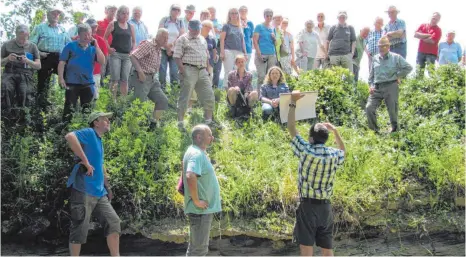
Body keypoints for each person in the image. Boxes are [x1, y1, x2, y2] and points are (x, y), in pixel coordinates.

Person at [286, 90, 345, 257]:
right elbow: (343, 151)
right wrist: (336, 132)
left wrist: (292, 101)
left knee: (306, 248)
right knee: (327, 249)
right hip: (326, 208)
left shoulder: (306, 151)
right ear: (326, 139)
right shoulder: (333, 155)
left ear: (311, 138)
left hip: (308, 206)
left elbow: (291, 127)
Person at [65, 112, 120, 256]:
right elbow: (69, 136)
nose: (108, 121)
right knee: (79, 229)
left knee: (113, 223)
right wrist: (85, 161)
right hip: (83, 189)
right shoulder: (90, 133)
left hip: (100, 192)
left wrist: (107, 186)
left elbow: (100, 165)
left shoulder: (99, 140)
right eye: (105, 119)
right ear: (96, 122)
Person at [182, 124, 221, 256]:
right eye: (209, 135)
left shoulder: (195, 151)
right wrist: (197, 200)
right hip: (199, 211)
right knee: (199, 250)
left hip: (200, 211)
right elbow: (190, 175)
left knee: (195, 248)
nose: (212, 137)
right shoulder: (196, 154)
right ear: (199, 137)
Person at [174, 20, 216, 131]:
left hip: (202, 71)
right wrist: (182, 70)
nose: (197, 31)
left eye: (198, 28)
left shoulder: (202, 39)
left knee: (209, 95)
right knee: (185, 96)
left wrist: (207, 70)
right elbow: (177, 56)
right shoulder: (182, 39)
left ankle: (209, 121)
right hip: (189, 69)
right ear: (189, 28)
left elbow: (206, 55)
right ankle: (180, 123)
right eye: (195, 29)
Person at [58, 24, 105, 122]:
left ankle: (85, 127)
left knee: (87, 109)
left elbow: (102, 61)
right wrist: (61, 78)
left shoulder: (93, 48)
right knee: (69, 108)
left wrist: (97, 46)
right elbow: (62, 62)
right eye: (84, 35)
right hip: (72, 82)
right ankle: (64, 128)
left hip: (88, 82)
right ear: (79, 35)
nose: (87, 37)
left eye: (89, 35)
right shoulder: (70, 46)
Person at [366, 36, 413, 133]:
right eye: (380, 46)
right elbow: (371, 77)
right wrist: (371, 86)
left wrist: (398, 76)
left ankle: (395, 131)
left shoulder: (396, 57)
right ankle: (374, 131)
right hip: (377, 87)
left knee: (392, 110)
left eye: (384, 46)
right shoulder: (375, 58)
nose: (381, 48)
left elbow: (409, 67)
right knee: (369, 108)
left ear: (388, 47)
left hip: (391, 86)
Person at [30, 8, 71, 107]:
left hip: (60, 58)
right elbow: (31, 44)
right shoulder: (39, 27)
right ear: (48, 14)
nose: (56, 15)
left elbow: (69, 44)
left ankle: (69, 103)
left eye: (58, 14)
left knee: (68, 78)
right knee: (43, 83)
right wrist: (39, 53)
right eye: (53, 13)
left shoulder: (62, 29)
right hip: (45, 57)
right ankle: (41, 105)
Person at [130, 28, 169, 128]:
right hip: (142, 77)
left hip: (152, 78)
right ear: (158, 36)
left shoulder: (159, 48)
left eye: (167, 38)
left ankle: (153, 124)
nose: (166, 40)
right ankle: (133, 129)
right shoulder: (149, 44)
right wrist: (140, 72)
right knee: (139, 104)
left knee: (162, 100)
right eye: (164, 37)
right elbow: (133, 56)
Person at [1, 24, 41, 111]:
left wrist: (27, 61)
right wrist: (7, 59)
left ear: (28, 35)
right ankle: (6, 114)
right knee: (6, 87)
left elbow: (38, 66)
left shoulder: (33, 46)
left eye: (25, 38)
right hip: (9, 72)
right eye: (20, 38)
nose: (22, 40)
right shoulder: (7, 44)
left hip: (26, 73)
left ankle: (24, 115)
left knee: (25, 91)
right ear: (16, 34)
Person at [104, 5, 136, 99]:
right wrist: (109, 48)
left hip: (127, 56)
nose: (125, 15)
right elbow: (105, 38)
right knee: (115, 79)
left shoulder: (131, 26)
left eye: (127, 13)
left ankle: (123, 101)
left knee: (125, 79)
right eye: (123, 13)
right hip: (115, 54)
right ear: (119, 14)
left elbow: (134, 41)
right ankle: (112, 101)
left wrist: (133, 50)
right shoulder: (113, 24)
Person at [187, 20, 218, 114]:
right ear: (201, 26)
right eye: (206, 26)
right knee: (192, 86)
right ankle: (190, 107)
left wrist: (212, 62)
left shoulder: (212, 39)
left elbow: (214, 51)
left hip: (208, 65)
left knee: (207, 86)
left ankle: (205, 107)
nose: (208, 29)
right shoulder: (195, 37)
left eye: (210, 27)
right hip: (194, 65)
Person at [158, 4, 185, 88]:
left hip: (175, 50)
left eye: (178, 10)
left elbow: (181, 36)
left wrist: (171, 47)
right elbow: (160, 34)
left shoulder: (180, 22)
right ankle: (162, 92)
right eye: (174, 9)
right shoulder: (164, 20)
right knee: (162, 71)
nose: (176, 11)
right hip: (163, 49)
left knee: (174, 72)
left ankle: (174, 94)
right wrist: (167, 47)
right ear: (170, 10)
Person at [220, 8, 247, 82]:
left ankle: (237, 91)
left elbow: (243, 41)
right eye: (232, 13)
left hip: (239, 52)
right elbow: (222, 39)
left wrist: (245, 53)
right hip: (228, 51)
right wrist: (222, 52)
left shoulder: (240, 27)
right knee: (228, 72)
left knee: (238, 72)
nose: (234, 15)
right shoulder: (226, 26)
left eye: (236, 13)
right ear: (229, 15)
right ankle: (227, 91)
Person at [84, 19, 109, 100]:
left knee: (94, 95)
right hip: (81, 72)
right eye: (92, 27)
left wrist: (102, 72)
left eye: (95, 27)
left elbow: (105, 57)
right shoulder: (78, 39)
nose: (94, 29)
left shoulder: (100, 40)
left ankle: (92, 110)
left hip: (95, 72)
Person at [254, 9, 277, 92]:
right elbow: (255, 41)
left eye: (271, 16)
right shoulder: (259, 26)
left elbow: (276, 43)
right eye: (267, 15)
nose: (269, 17)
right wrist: (259, 54)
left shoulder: (272, 28)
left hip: (271, 55)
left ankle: (269, 95)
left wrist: (274, 38)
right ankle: (259, 97)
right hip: (262, 54)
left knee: (271, 76)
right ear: (264, 16)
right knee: (261, 76)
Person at [414, 12, 442, 77]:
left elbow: (431, 41)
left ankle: (433, 86)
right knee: (419, 71)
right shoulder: (423, 25)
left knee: (431, 72)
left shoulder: (438, 30)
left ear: (438, 20)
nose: (434, 20)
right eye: (434, 18)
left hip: (431, 54)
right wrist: (429, 35)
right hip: (421, 52)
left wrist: (421, 36)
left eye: (437, 19)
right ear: (431, 17)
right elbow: (415, 35)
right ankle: (418, 86)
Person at [96, 5, 117, 87]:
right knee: (101, 71)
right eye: (111, 10)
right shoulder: (99, 23)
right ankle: (99, 89)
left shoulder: (116, 25)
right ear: (106, 11)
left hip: (112, 52)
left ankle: (107, 91)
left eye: (114, 11)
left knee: (110, 73)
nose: (113, 13)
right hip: (101, 52)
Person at [208, 7, 223, 88]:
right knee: (208, 68)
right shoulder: (205, 21)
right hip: (208, 46)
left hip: (218, 46)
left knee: (217, 69)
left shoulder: (220, 22)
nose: (212, 13)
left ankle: (215, 89)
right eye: (210, 12)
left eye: (213, 12)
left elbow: (221, 32)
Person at [239, 6, 254, 70]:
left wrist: (252, 46)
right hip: (238, 48)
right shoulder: (236, 21)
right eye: (241, 11)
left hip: (248, 48)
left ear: (247, 12)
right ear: (239, 12)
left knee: (246, 67)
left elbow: (252, 36)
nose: (243, 12)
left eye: (245, 11)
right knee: (237, 68)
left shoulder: (250, 23)